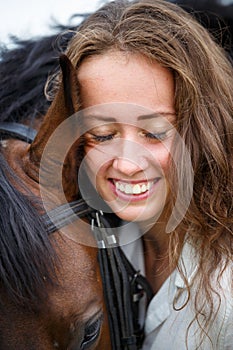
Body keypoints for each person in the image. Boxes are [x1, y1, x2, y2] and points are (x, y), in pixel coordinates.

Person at [48, 0, 233, 349]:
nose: (127, 164)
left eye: (154, 133)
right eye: (102, 135)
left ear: (203, 130)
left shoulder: (226, 300)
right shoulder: (84, 239)